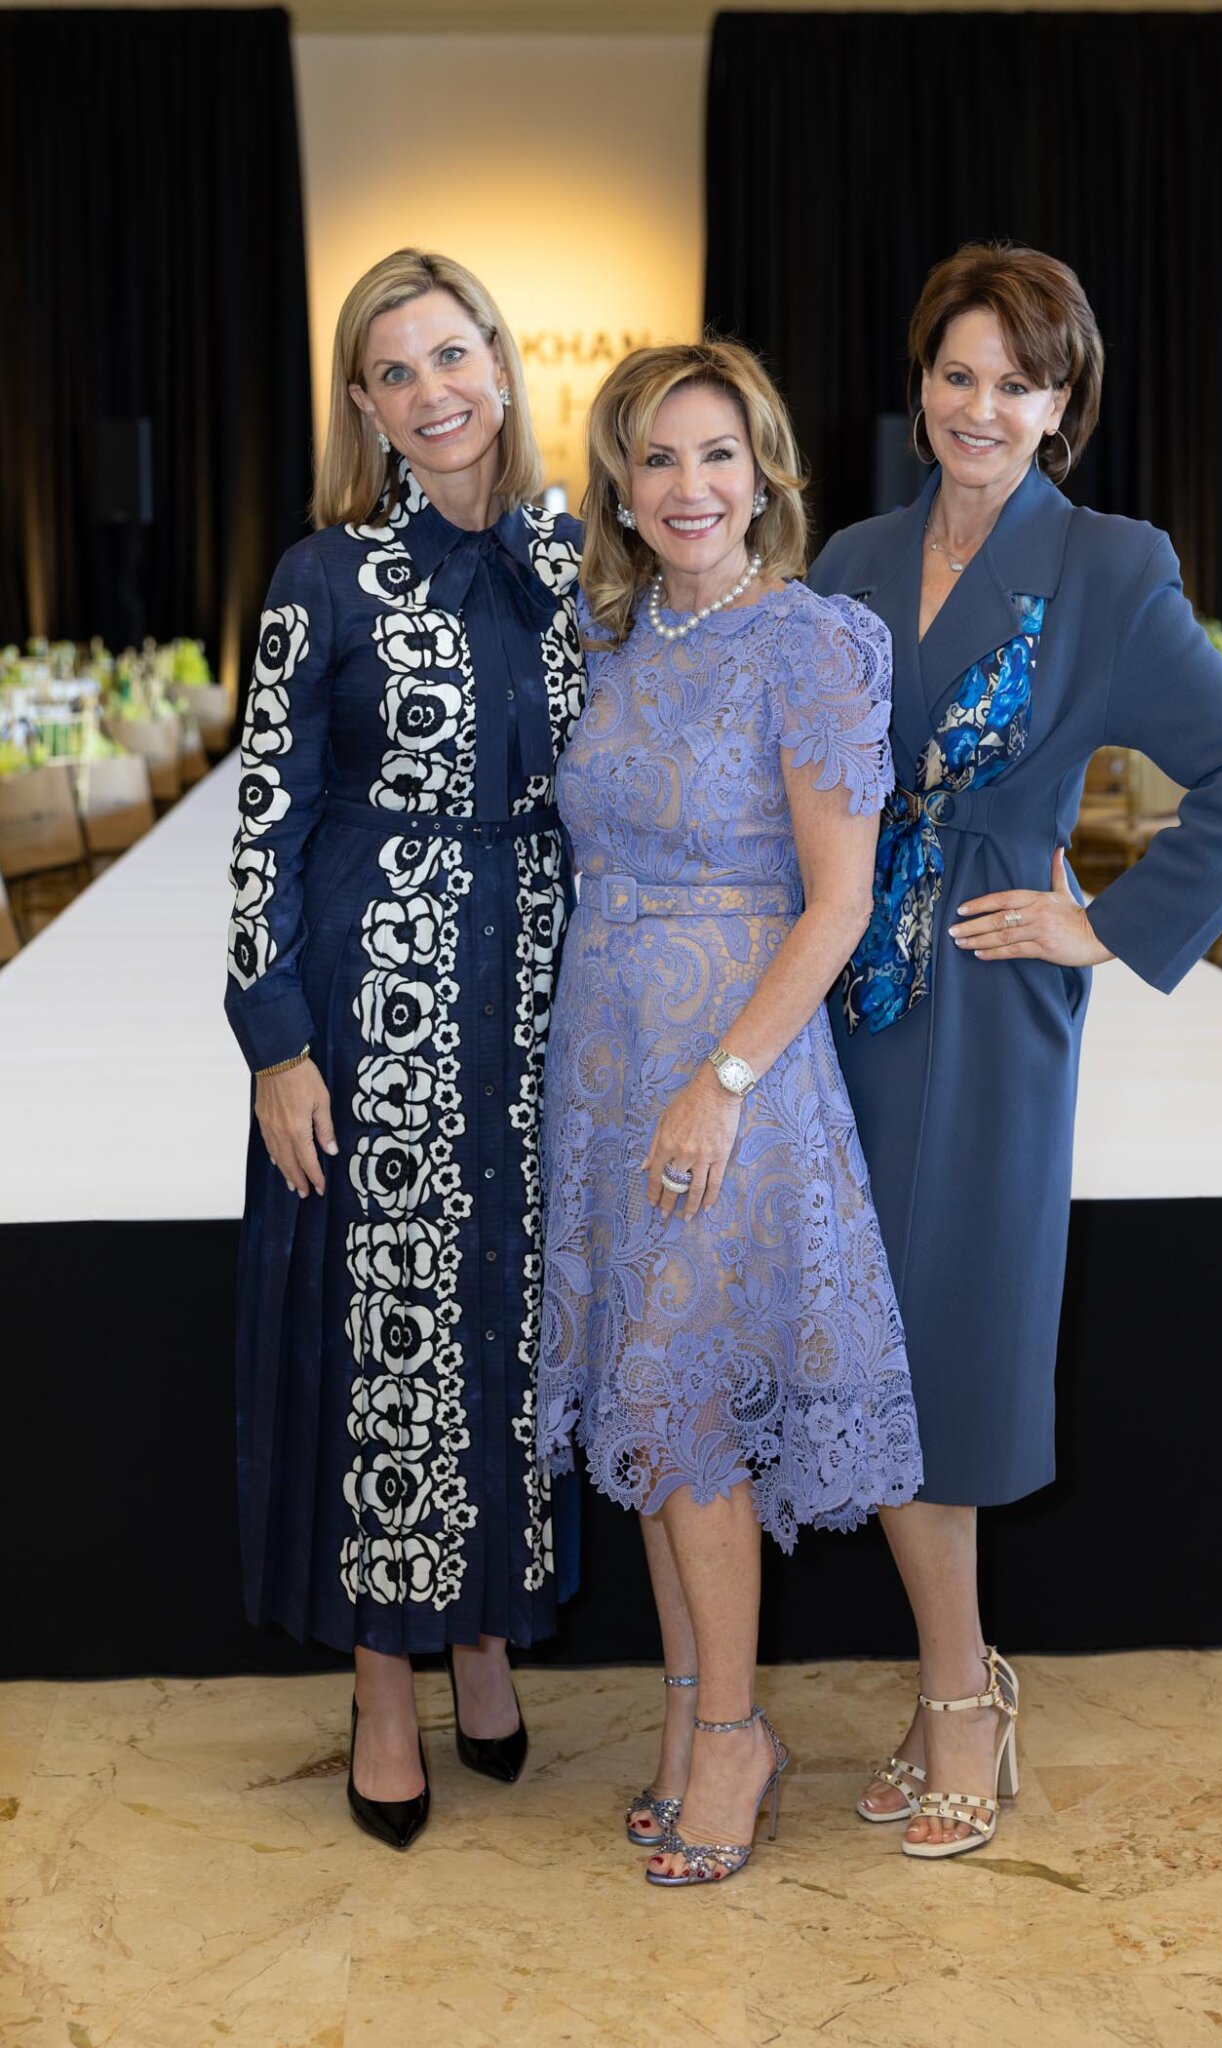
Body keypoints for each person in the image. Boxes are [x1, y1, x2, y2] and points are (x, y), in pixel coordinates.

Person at [808, 241, 1222, 1860]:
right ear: (919, 385)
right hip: (833, 998)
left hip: (981, 1000)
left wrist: (1103, 925)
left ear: (1061, 402)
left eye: (1015, 381)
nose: (979, 406)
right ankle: (953, 1673)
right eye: (955, 373)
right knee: (863, 1343)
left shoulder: (1104, 564)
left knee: (939, 1342)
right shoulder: (854, 555)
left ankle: (960, 1690)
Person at [535, 340, 923, 1888]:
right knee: (645, 1399)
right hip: (603, 1062)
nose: (686, 488)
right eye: (654, 459)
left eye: (715, 455)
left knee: (694, 1413)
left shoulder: (814, 644)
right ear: (619, 491)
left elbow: (833, 908)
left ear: (764, 467)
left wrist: (721, 1084)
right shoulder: (612, 644)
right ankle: (693, 1713)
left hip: (733, 1072)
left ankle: (737, 1738)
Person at [224, 248, 584, 1851]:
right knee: (388, 1346)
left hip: (544, 1003)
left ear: (500, 366)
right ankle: (385, 1681)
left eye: (455, 354)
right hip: (374, 999)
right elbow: (263, 824)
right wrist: (275, 1038)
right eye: (395, 370)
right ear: (364, 408)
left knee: (512, 1328)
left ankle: (489, 1637)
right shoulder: (321, 576)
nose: (433, 389)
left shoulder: (580, 555)